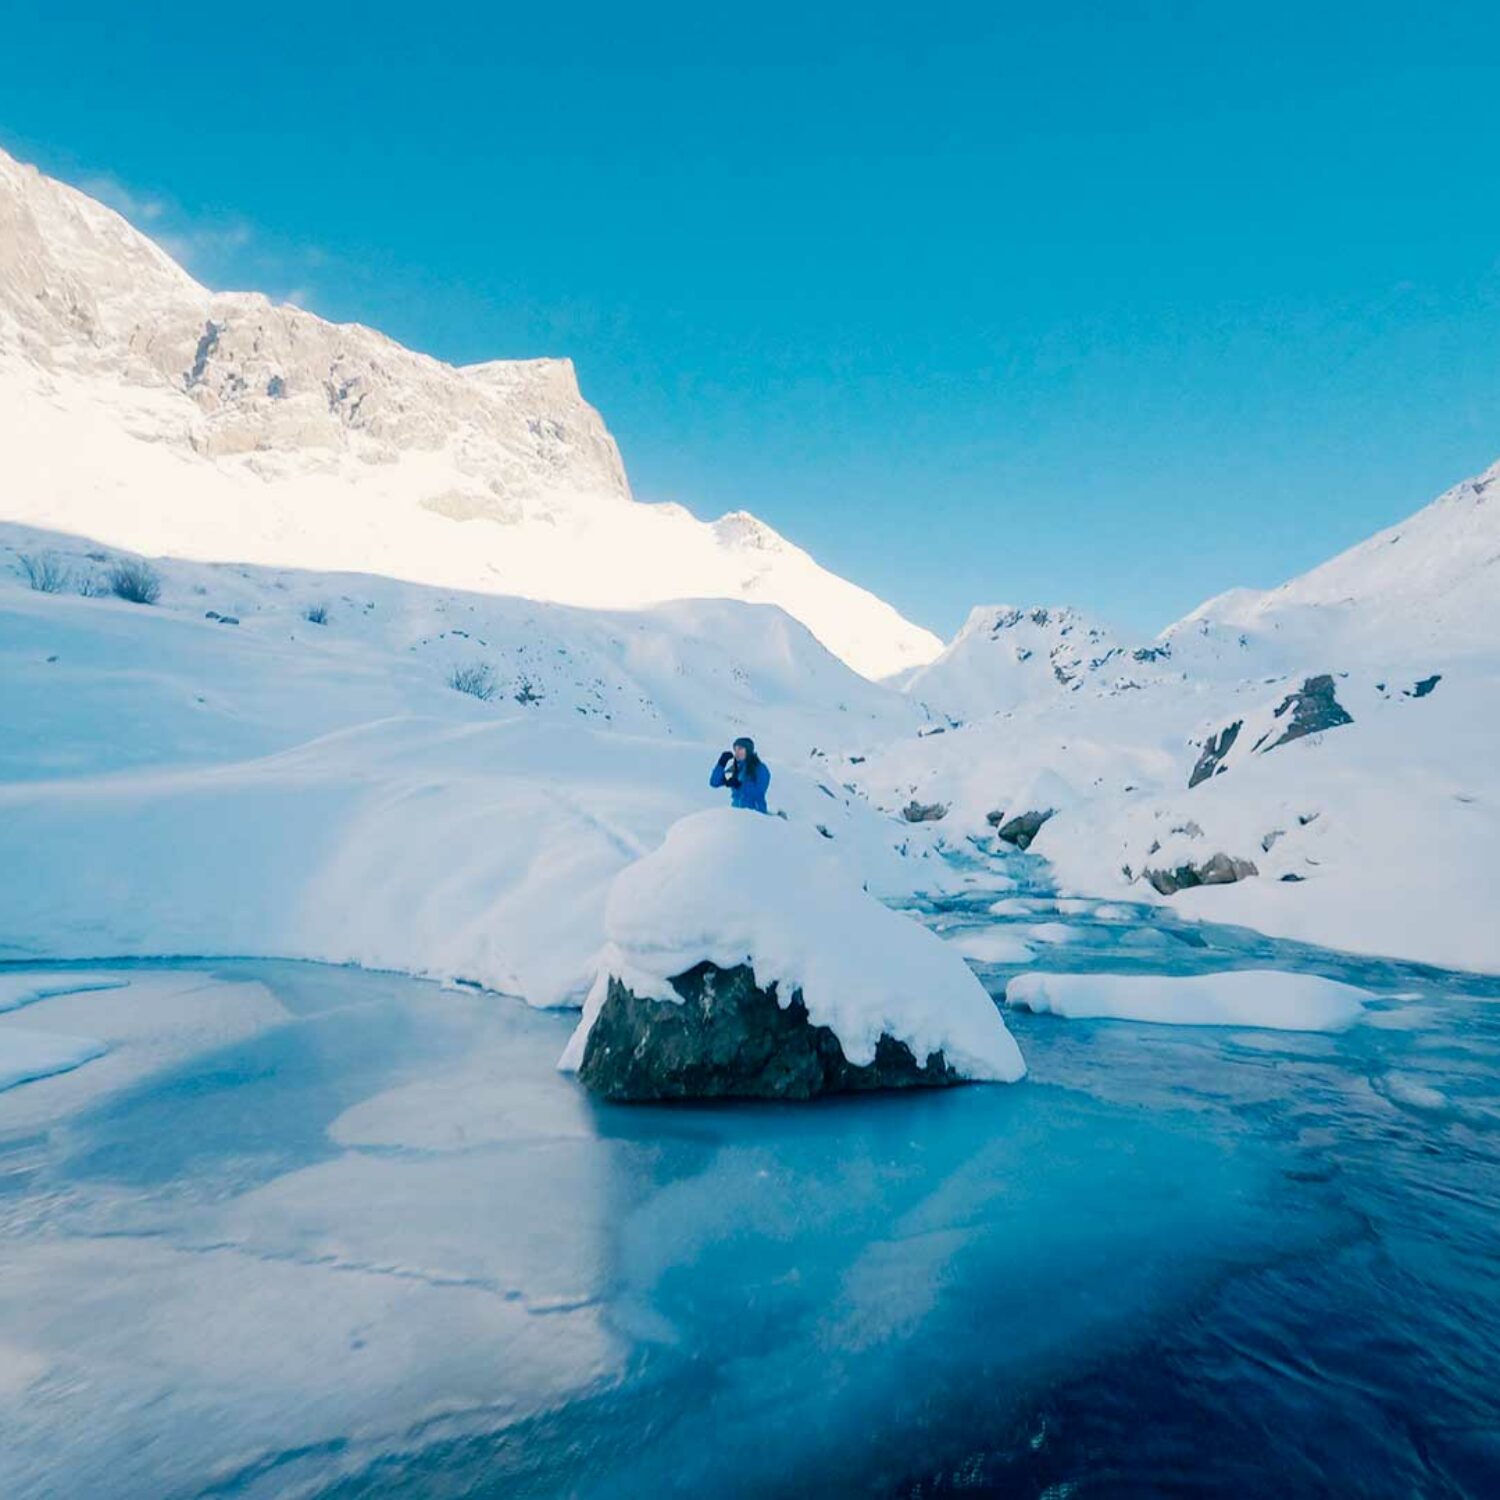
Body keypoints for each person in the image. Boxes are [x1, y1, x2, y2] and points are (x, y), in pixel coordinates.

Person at [710, 736, 771, 813]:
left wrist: (739, 785)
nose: (737, 752)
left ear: (748, 750)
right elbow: (714, 783)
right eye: (735, 749)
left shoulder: (760, 768)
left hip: (755, 813)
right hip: (737, 813)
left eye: (740, 749)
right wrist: (721, 763)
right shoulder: (736, 768)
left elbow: (759, 792)